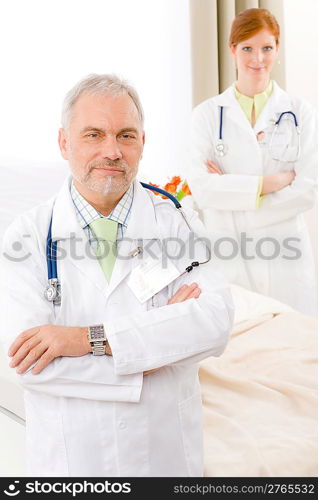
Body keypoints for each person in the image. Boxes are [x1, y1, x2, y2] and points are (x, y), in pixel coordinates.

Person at [1, 74, 234, 477]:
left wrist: (85, 339)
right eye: (94, 134)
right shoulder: (27, 236)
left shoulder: (178, 222)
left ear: (143, 142)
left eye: (126, 135)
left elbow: (214, 322)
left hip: (165, 460)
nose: (112, 151)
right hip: (72, 466)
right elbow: (26, 364)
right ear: (64, 142)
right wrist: (154, 352)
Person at [187, 8, 318, 316]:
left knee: (293, 344)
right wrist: (268, 184)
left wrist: (234, 199)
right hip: (232, 253)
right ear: (232, 50)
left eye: (266, 48)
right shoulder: (207, 115)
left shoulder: (301, 113)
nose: (257, 59)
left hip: (286, 253)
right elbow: (202, 189)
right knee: (237, 343)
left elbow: (308, 189)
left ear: (277, 49)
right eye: (247, 48)